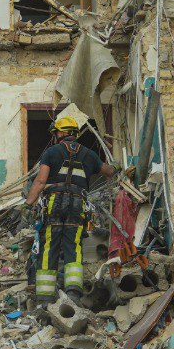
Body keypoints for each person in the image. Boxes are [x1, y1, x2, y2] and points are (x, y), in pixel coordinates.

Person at [25, 116, 116, 304]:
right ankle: (74, 293)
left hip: (54, 204)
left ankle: (45, 298)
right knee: (73, 248)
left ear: (62, 133)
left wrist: (28, 204)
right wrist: (117, 167)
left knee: (49, 247)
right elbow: (108, 171)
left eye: (56, 132)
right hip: (78, 205)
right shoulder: (89, 155)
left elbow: (41, 181)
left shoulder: (51, 153)